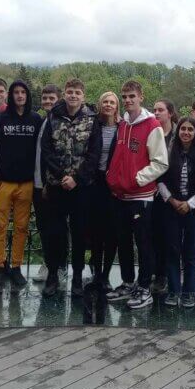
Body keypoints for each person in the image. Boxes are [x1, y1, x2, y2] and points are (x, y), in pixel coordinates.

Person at [104, 80, 169, 309]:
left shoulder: (152, 125)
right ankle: (128, 282)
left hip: (141, 197)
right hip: (120, 195)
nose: (128, 100)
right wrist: (113, 177)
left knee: (143, 243)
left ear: (141, 97)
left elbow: (161, 163)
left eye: (132, 96)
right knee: (123, 242)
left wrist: (136, 179)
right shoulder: (123, 124)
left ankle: (144, 288)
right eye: (124, 96)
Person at [40, 78, 97, 297]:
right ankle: (53, 275)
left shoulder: (92, 119)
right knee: (54, 233)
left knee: (80, 234)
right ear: (64, 94)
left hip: (81, 188)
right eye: (70, 92)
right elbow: (46, 150)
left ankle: (77, 278)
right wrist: (62, 176)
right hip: (57, 186)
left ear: (83, 96)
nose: (73, 96)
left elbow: (93, 154)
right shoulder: (52, 116)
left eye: (77, 93)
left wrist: (76, 179)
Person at [157, 117, 195, 308]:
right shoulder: (168, 152)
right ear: (178, 131)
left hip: (194, 209)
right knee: (172, 249)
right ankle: (173, 290)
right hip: (171, 208)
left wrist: (190, 204)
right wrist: (172, 200)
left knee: (191, 251)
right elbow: (160, 179)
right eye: (183, 129)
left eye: (190, 129)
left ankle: (189, 291)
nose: (186, 133)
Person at [0, 80, 42, 290]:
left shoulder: (36, 119)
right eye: (16, 92)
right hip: (3, 181)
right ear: (10, 96)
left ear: (27, 96)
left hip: (26, 182)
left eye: (23, 92)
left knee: (21, 227)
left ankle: (16, 266)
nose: (19, 95)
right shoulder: (0, 118)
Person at [86, 91, 120, 292]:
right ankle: (96, 273)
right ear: (100, 105)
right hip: (94, 182)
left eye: (112, 102)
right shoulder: (93, 126)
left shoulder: (122, 128)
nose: (108, 105)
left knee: (112, 232)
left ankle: (106, 275)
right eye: (105, 102)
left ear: (117, 107)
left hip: (114, 183)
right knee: (95, 231)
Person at [31, 84, 62, 283]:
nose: (48, 101)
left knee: (56, 227)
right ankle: (48, 262)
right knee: (43, 226)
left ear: (59, 99)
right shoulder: (43, 121)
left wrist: (50, 183)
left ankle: (58, 266)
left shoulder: (60, 123)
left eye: (52, 98)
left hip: (52, 185)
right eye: (45, 98)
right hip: (37, 183)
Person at [150, 98, 178, 294]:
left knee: (170, 238)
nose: (156, 113)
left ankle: (167, 275)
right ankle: (155, 274)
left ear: (170, 113)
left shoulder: (179, 134)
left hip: (173, 193)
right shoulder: (152, 132)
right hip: (151, 191)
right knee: (153, 236)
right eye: (154, 110)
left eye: (160, 110)